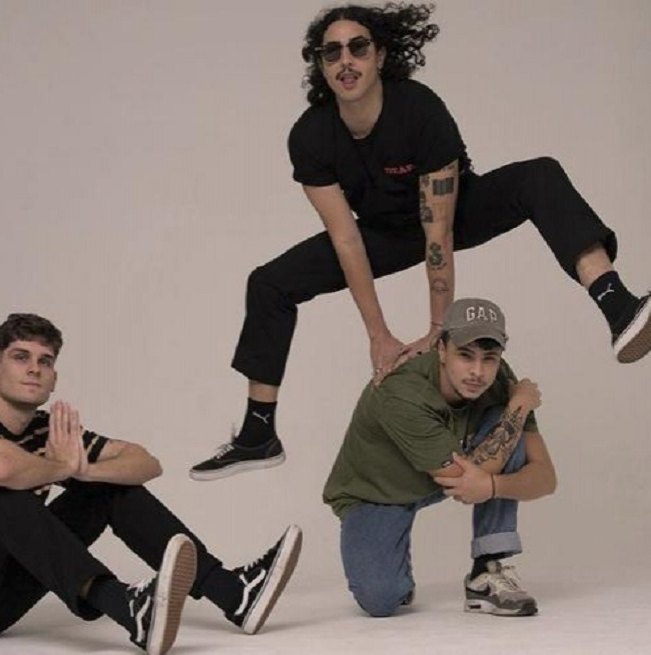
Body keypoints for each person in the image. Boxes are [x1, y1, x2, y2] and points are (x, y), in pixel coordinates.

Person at [190, 2, 649, 481]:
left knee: (539, 176)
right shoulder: (311, 135)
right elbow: (346, 240)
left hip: (457, 211)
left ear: (380, 56)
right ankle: (258, 433)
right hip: (382, 231)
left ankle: (616, 304)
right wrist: (379, 336)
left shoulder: (418, 110)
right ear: (321, 65)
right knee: (269, 283)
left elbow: (439, 232)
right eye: (332, 53)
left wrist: (437, 329)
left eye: (358, 48)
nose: (346, 61)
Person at [0, 313, 302, 655]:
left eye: (45, 361)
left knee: (105, 485)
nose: (34, 368)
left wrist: (82, 471)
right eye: (20, 357)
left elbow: (145, 463)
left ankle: (233, 593)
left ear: (54, 378)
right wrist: (62, 466)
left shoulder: (49, 431)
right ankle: (127, 607)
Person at [323, 297, 555, 617]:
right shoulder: (401, 390)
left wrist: (492, 486)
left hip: (446, 471)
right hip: (376, 492)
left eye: (489, 358)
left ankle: (487, 571)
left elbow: (545, 478)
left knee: (506, 423)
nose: (477, 371)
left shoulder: (502, 381)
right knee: (381, 600)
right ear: (442, 349)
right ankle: (393, 558)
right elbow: (464, 485)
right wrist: (520, 406)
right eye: (465, 355)